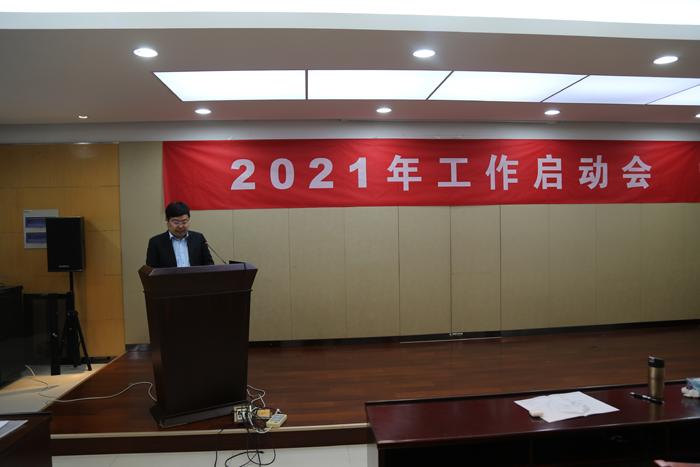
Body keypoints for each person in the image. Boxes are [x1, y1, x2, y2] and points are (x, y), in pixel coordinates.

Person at [145, 201, 215, 268]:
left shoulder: (198, 239)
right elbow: (152, 270)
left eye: (184, 222)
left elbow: (209, 265)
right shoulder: (156, 243)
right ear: (167, 221)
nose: (181, 226)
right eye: (176, 222)